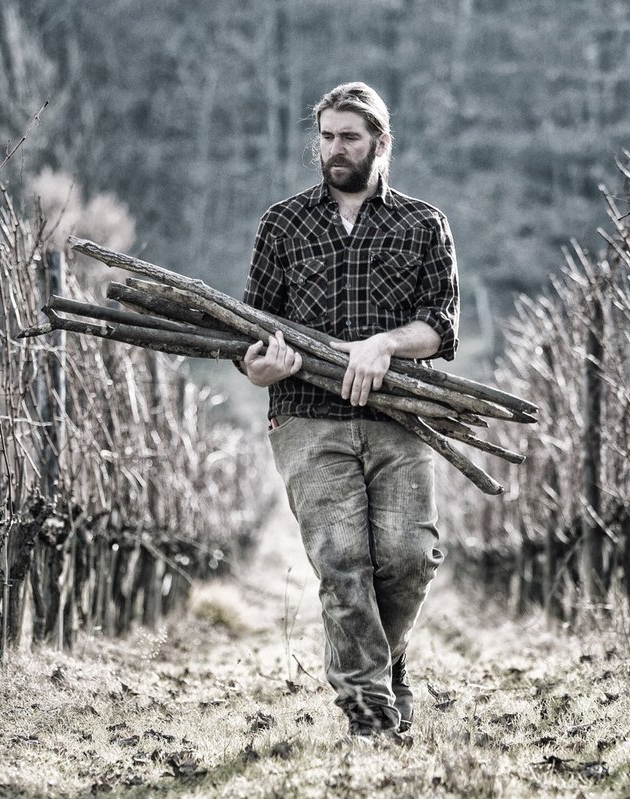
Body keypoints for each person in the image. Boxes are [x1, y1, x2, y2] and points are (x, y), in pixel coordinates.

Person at [241, 81, 459, 739]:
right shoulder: (283, 224)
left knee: (409, 556)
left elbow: (440, 327)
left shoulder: (424, 225)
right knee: (341, 559)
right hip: (307, 413)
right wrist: (260, 366)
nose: (335, 149)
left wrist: (384, 345)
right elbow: (251, 333)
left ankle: (385, 661)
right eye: (327, 136)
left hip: (399, 416)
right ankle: (368, 706)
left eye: (350, 138)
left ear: (381, 144)